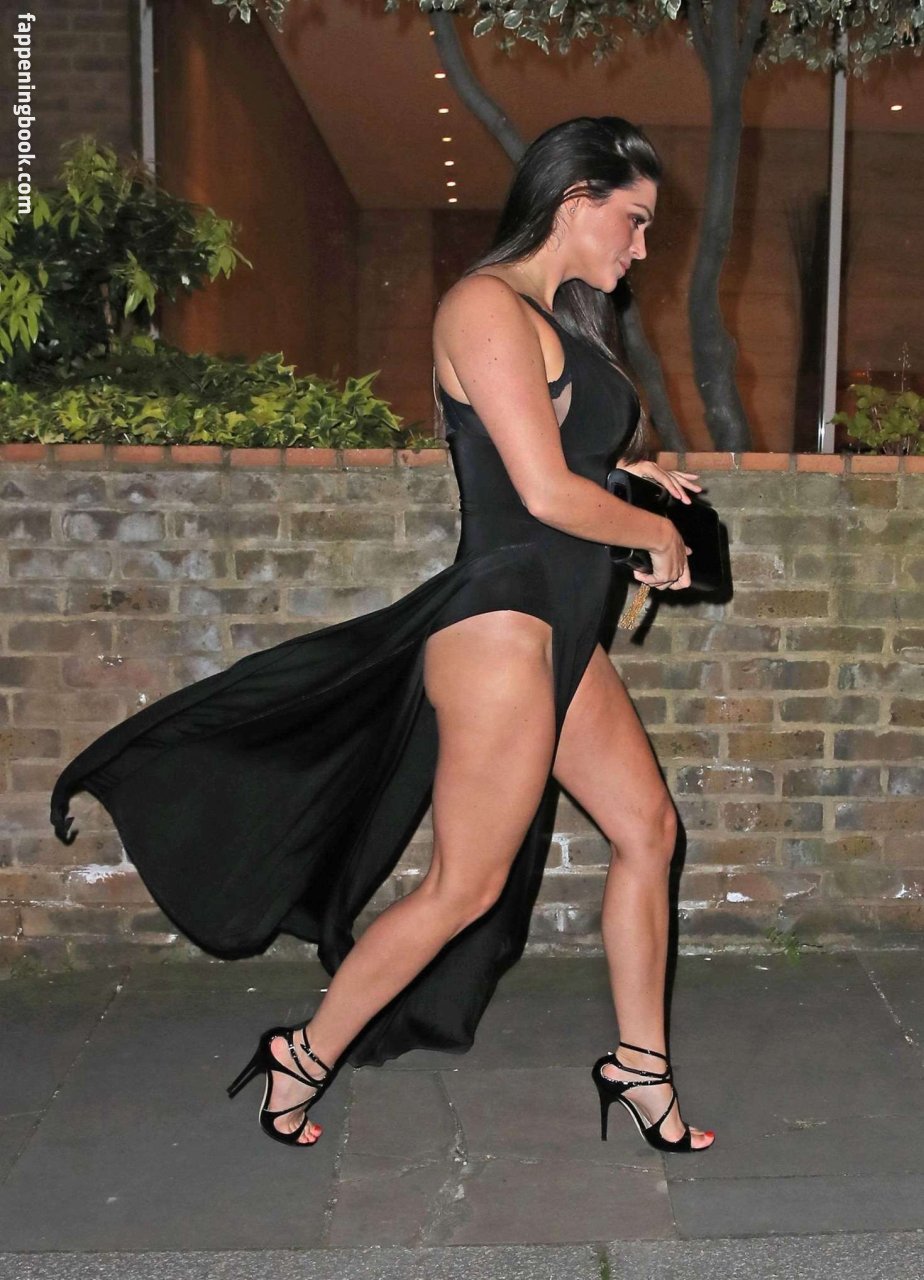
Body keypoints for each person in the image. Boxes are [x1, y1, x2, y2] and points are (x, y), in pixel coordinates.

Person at [51, 115, 714, 1155]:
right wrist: (654, 534)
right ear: (576, 198)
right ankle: (301, 1054)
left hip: (558, 629)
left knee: (650, 830)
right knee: (466, 885)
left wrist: (635, 479)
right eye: (633, 220)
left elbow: (563, 463)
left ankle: (639, 1068)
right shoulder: (483, 306)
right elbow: (539, 493)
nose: (641, 246)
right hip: (502, 630)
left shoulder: (563, 322)